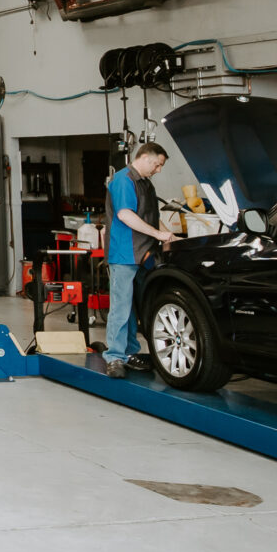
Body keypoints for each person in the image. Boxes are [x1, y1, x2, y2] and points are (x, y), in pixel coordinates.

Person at [89, 141, 176, 377]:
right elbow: (125, 215)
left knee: (135, 307)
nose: (158, 170)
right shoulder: (123, 180)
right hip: (125, 253)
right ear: (146, 157)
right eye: (157, 165)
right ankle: (115, 357)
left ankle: (130, 353)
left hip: (145, 254)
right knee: (121, 306)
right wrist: (158, 234)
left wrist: (167, 235)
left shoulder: (145, 184)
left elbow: (150, 216)